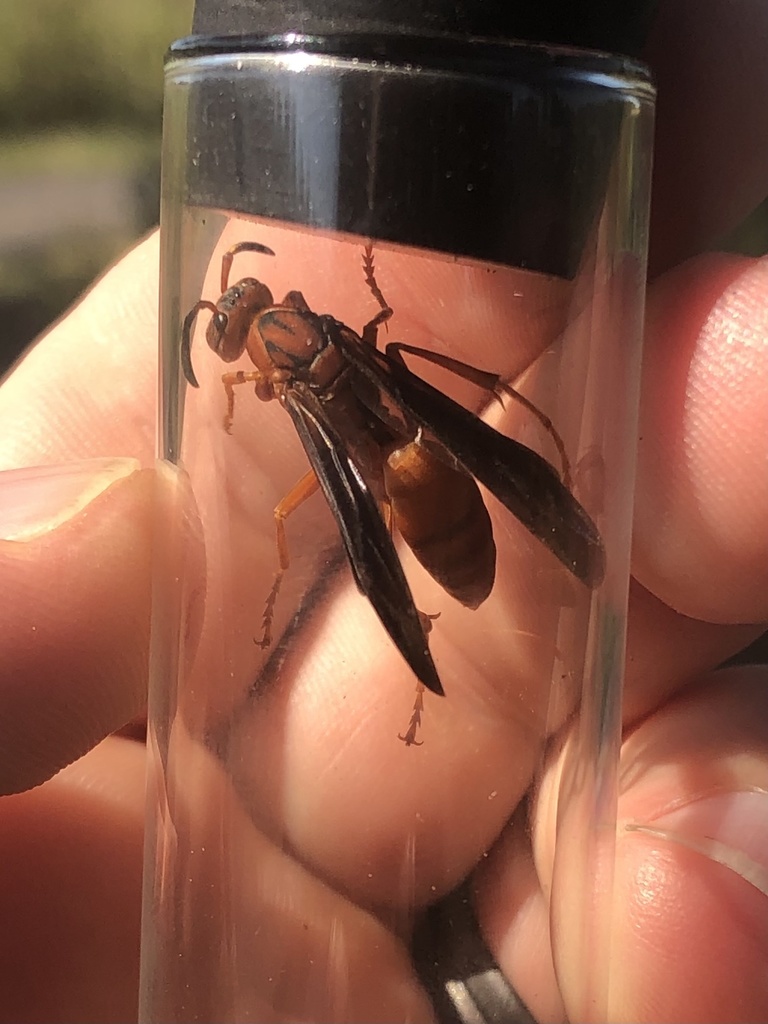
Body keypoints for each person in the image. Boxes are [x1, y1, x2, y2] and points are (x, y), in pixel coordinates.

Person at [0, 2, 767, 1020]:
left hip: (414, 480)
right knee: (411, 437)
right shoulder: (320, 353)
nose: (238, 329)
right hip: (423, 460)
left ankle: (436, 628)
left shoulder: (288, 380)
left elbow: (305, 415)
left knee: (358, 506)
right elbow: (384, 357)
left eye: (235, 324)